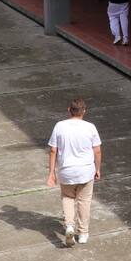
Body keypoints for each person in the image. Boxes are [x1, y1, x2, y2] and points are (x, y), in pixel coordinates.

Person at [45, 97, 102, 248]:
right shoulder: (90, 127)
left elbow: (53, 150)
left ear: (69, 110)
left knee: (68, 197)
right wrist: (97, 169)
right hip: (85, 171)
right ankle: (83, 233)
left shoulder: (59, 126)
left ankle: (69, 226)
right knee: (84, 201)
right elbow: (97, 151)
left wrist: (51, 172)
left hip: (66, 171)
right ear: (84, 111)